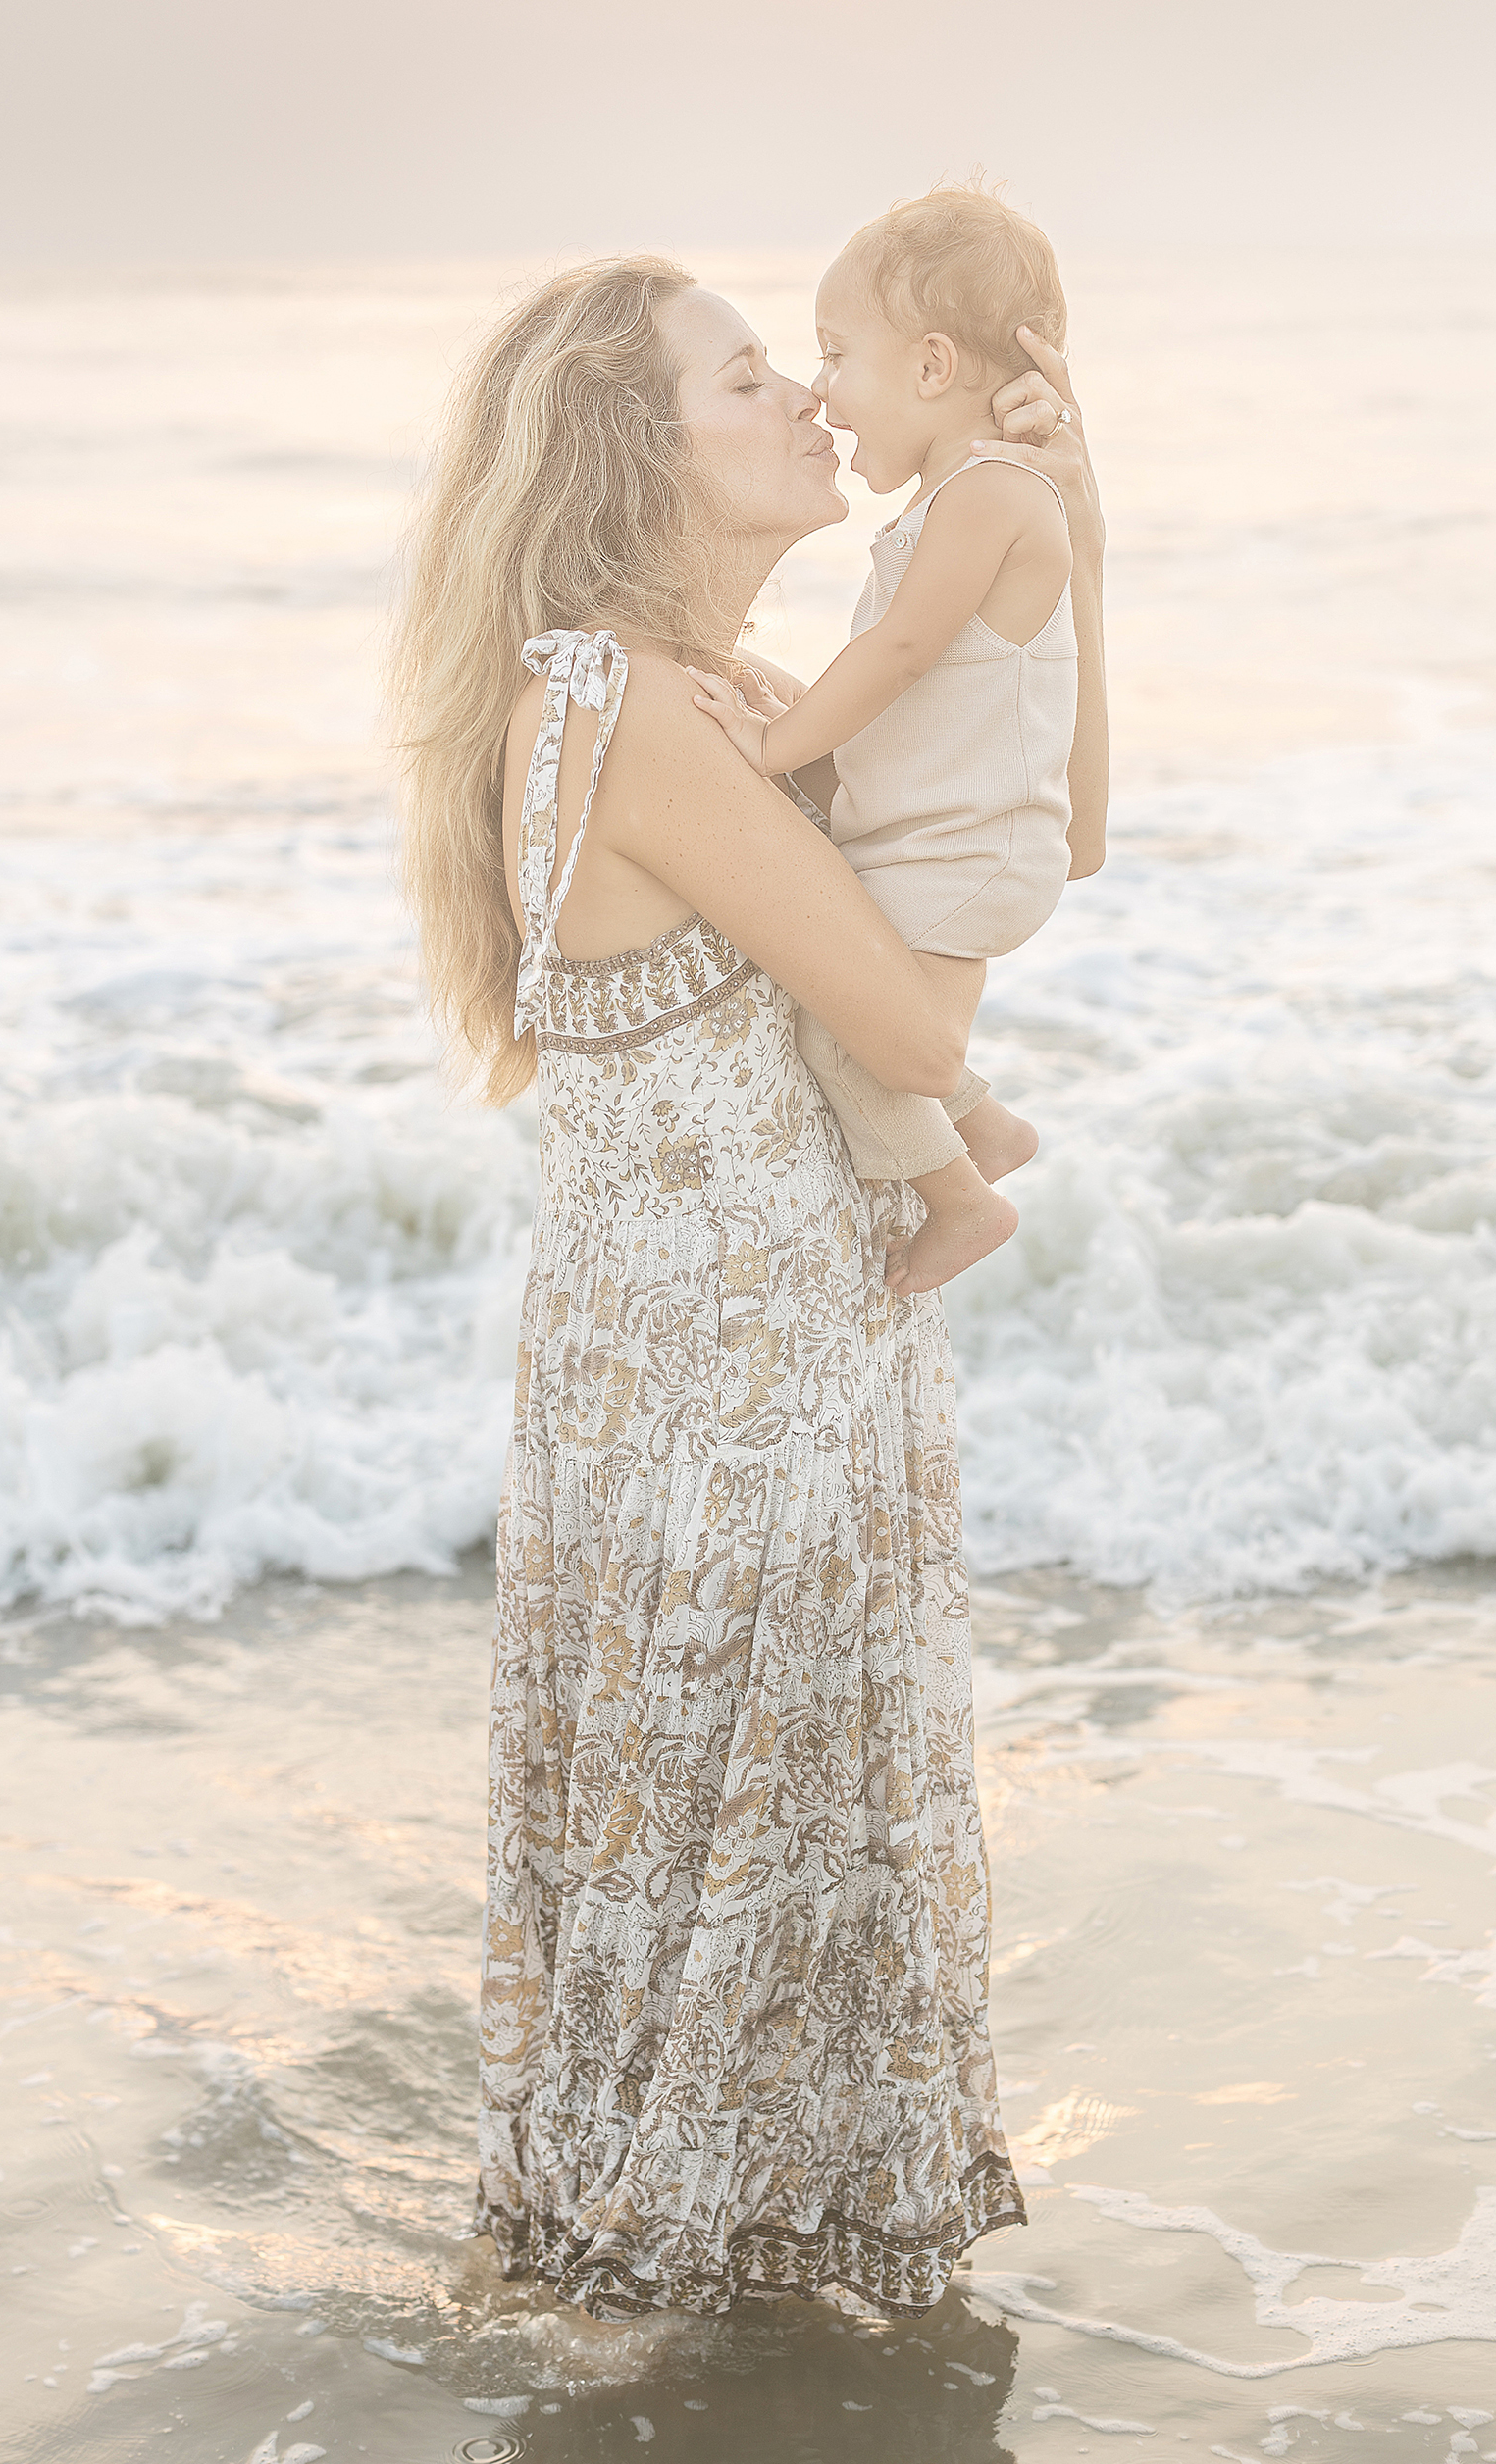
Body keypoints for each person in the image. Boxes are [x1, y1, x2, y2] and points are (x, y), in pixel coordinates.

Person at [386, 252, 1104, 2318]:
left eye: (797, 368)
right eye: (742, 381)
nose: (804, 398)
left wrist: (1057, 552)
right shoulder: (632, 713)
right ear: (637, 457)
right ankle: (674, 2327)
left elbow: (1062, 818)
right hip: (738, 1420)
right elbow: (907, 1012)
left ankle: (685, 2310)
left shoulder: (655, 701)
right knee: (728, 1880)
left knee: (697, 1890)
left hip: (720, 1386)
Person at [687, 182, 1106, 1298]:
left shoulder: (987, 493)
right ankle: (990, 1129)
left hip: (965, 853)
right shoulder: (955, 502)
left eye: (835, 356)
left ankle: (967, 1197)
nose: (820, 393)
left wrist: (772, 751)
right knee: (844, 1019)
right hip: (948, 840)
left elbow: (901, 654)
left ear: (929, 369)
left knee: (845, 1036)